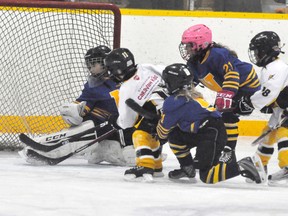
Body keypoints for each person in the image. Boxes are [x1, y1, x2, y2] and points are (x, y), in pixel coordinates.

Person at [20, 45, 135, 166]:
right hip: (106, 128)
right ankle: (46, 147)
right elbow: (83, 106)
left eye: (94, 64)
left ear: (105, 63)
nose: (90, 68)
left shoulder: (123, 79)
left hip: (124, 129)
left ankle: (101, 152)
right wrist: (74, 110)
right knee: (88, 125)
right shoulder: (93, 85)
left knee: (103, 136)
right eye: (89, 65)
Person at [156, 63, 265, 184]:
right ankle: (187, 168)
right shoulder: (192, 94)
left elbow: (163, 131)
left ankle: (242, 165)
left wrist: (157, 134)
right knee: (175, 136)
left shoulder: (173, 102)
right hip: (210, 130)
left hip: (211, 134)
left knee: (207, 176)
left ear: (173, 83)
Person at [179, 24, 261, 165]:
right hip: (230, 88)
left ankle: (229, 152)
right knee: (215, 117)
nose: (186, 49)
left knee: (227, 115)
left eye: (190, 45)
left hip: (246, 86)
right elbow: (190, 82)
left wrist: (227, 93)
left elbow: (232, 73)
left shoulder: (217, 54)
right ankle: (209, 152)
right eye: (185, 45)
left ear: (202, 44)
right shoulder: (194, 63)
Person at [104, 47, 167, 182]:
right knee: (150, 129)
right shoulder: (146, 67)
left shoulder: (126, 89)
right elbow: (168, 73)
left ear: (118, 70)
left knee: (139, 134)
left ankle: (145, 166)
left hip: (164, 117)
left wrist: (115, 121)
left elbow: (127, 122)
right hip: (178, 106)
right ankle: (157, 166)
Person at [236, 31, 288, 185]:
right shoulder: (270, 67)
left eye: (258, 51)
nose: (256, 55)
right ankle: (260, 166)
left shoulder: (277, 67)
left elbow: (268, 93)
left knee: (283, 131)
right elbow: (274, 96)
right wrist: (269, 106)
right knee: (268, 132)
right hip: (283, 108)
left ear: (267, 51)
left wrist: (249, 103)